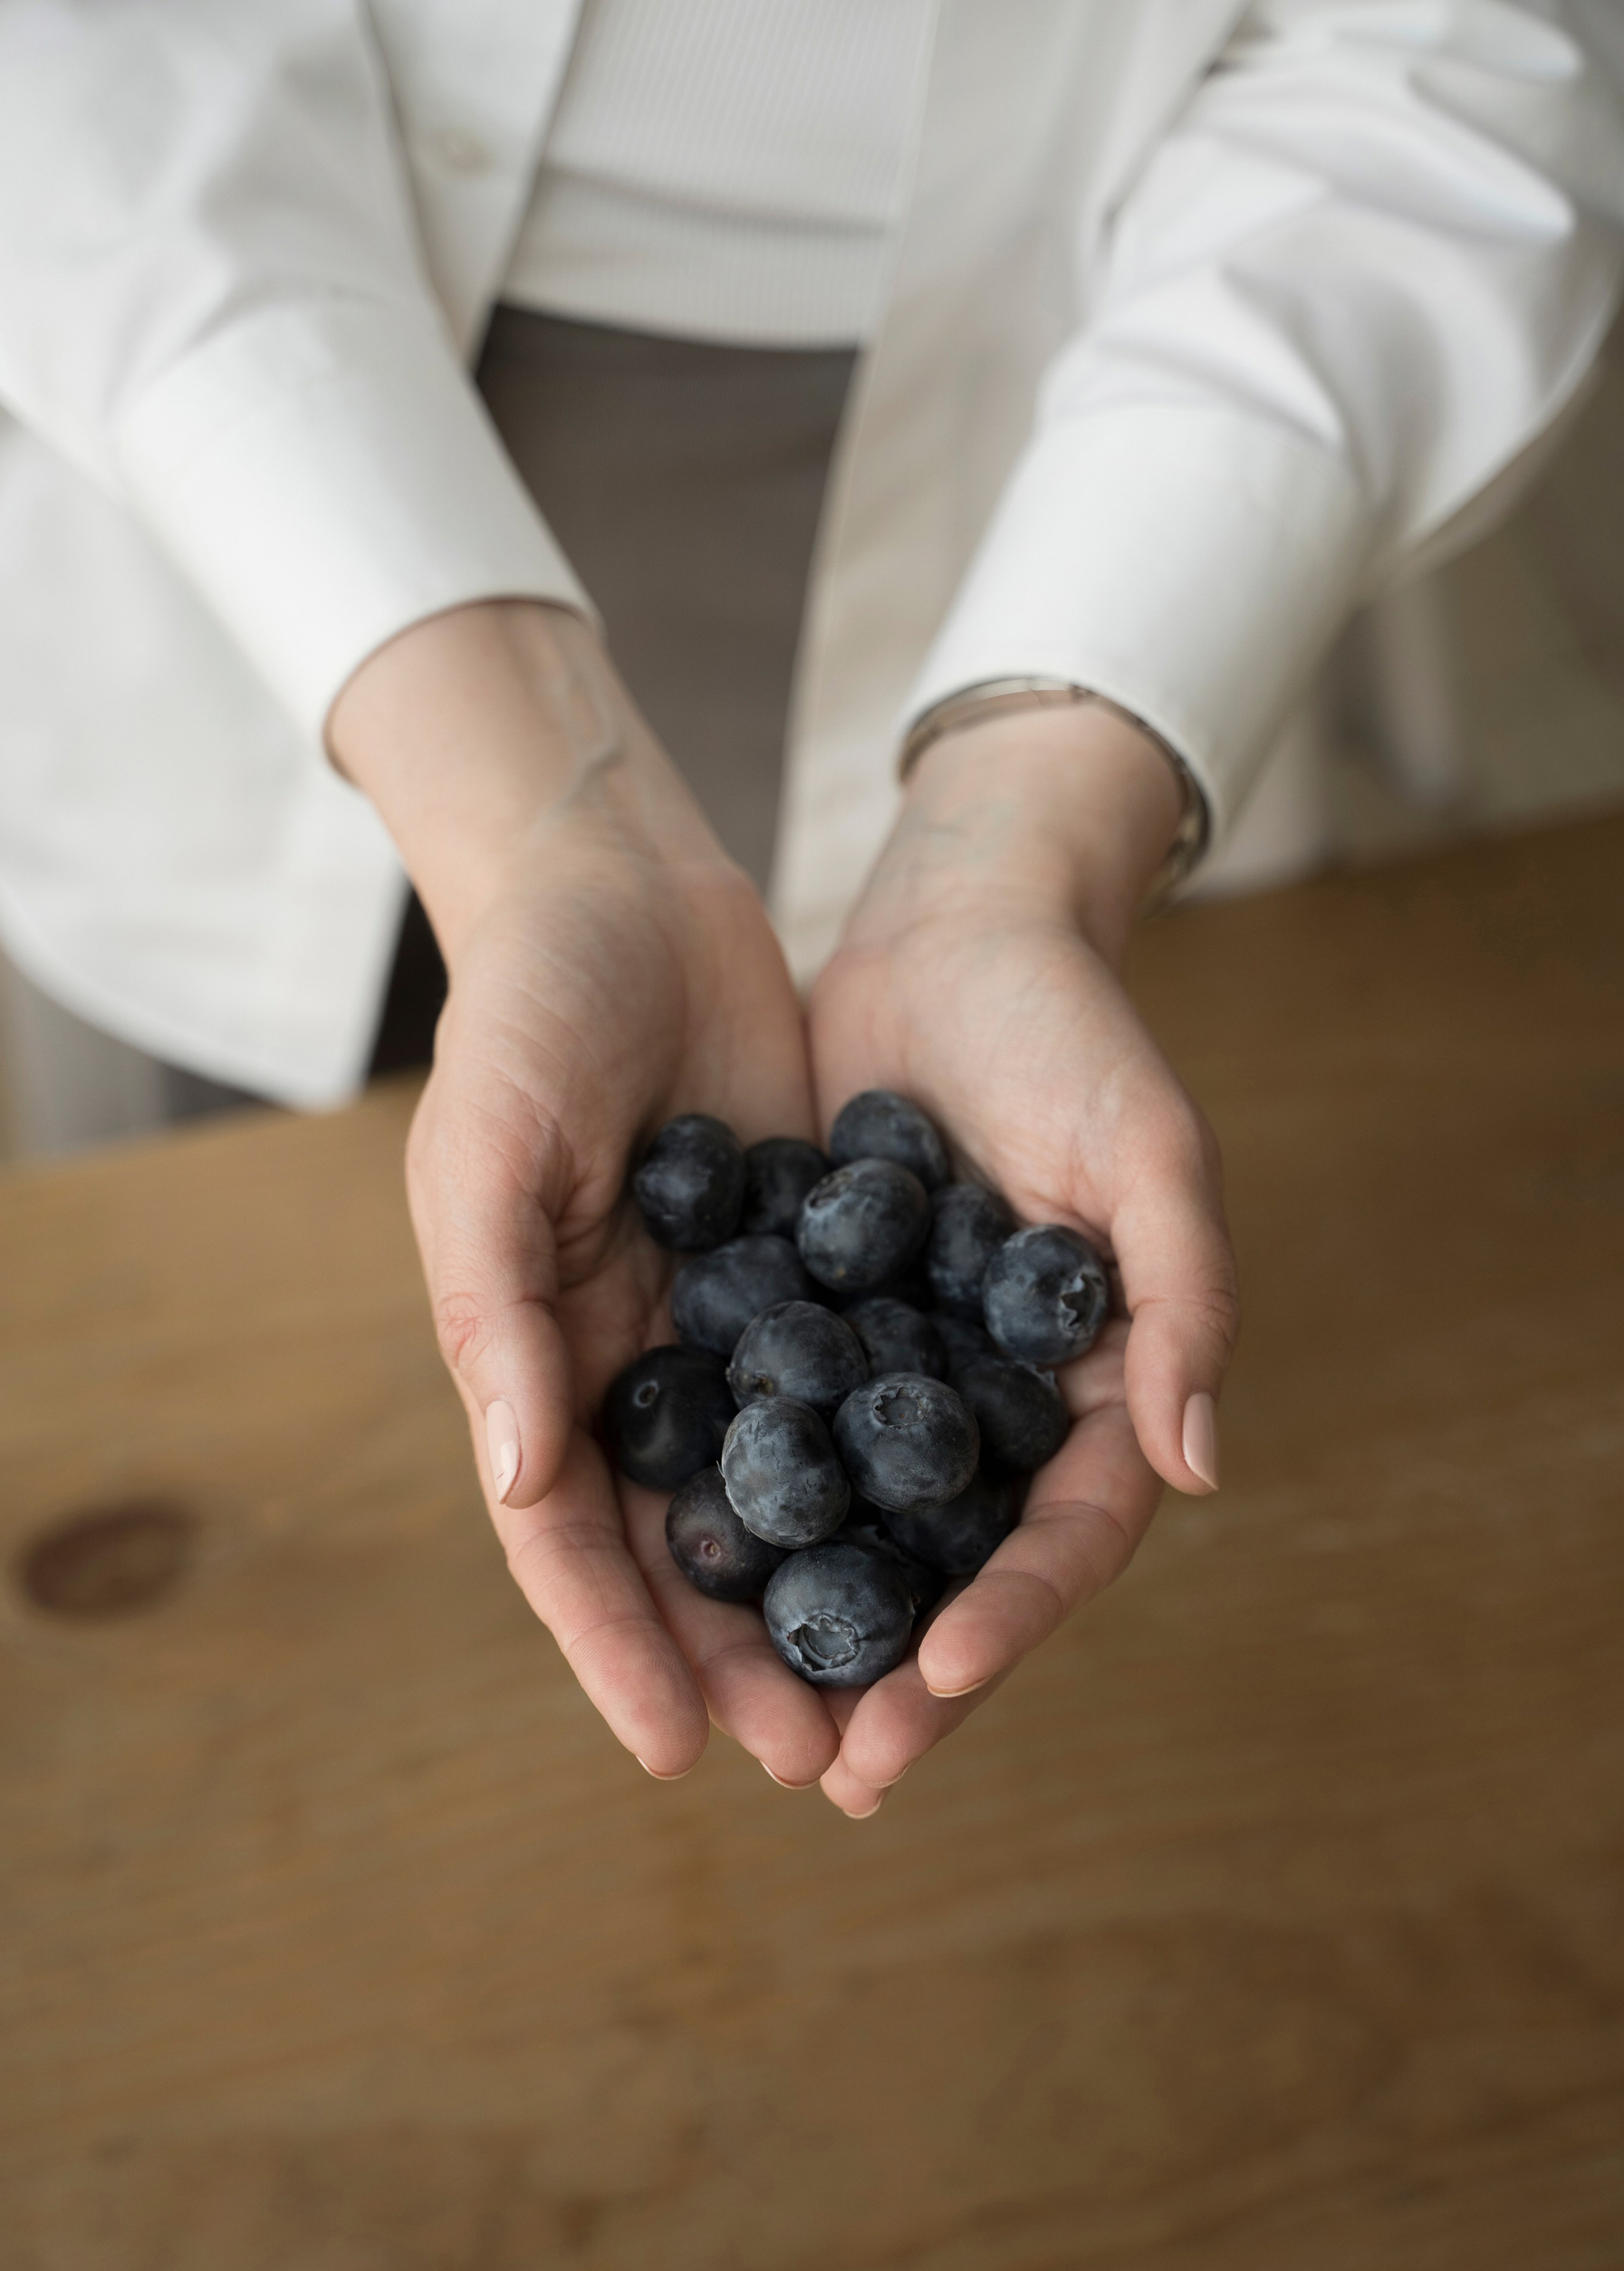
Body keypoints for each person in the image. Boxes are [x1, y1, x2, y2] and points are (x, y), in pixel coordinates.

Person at [0, 4, 1619, 1817]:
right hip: (232, 431)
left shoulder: (861, 1338)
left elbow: (1454, 57)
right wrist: (533, 827)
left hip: (1079, 429)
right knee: (204, 1364)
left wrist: (1019, 841)